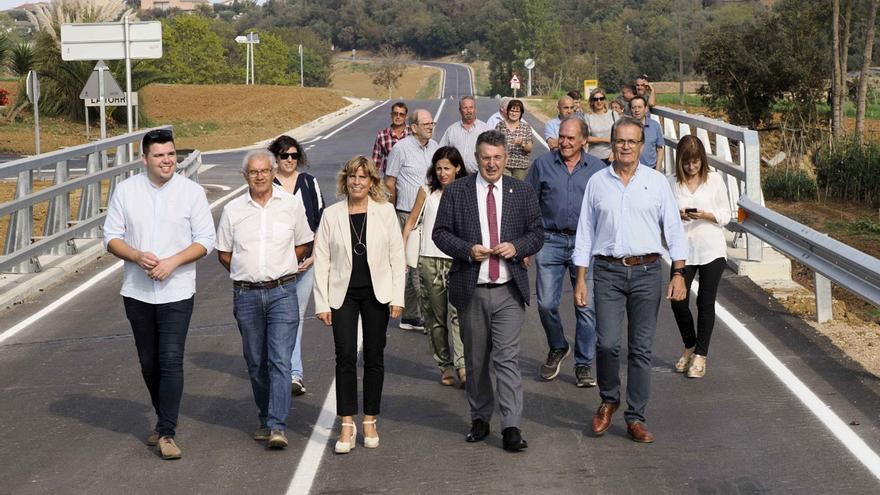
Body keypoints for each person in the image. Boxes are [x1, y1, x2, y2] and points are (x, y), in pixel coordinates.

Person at [572, 116, 688, 444]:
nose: (625, 146)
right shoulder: (597, 182)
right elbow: (585, 232)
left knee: (640, 349)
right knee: (607, 343)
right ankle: (609, 399)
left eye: (631, 141)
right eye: (620, 141)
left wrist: (678, 272)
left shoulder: (657, 183)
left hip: (648, 272)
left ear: (641, 145)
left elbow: (674, 232)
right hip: (607, 271)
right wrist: (581, 279)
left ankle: (636, 416)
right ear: (612, 144)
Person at [103, 128, 215, 460]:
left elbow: (205, 240)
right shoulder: (126, 191)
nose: (167, 161)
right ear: (145, 159)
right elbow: (111, 238)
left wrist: (173, 261)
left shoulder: (191, 193)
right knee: (148, 362)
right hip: (137, 291)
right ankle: (162, 416)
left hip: (177, 291)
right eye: (159, 155)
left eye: (171, 154)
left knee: (170, 359)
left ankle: (167, 431)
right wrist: (136, 256)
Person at [433, 130, 544, 452]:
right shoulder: (458, 192)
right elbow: (440, 233)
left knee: (507, 359)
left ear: (506, 159)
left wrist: (517, 246)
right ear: (476, 159)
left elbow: (537, 232)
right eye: (486, 158)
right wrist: (468, 249)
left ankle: (511, 426)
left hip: (509, 288)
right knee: (477, 360)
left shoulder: (521, 191)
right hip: (472, 287)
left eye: (497, 157)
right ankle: (480, 417)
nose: (492, 163)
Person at [216, 150, 314, 450]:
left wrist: (279, 266)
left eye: (264, 171)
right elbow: (224, 253)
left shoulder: (291, 204)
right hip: (246, 294)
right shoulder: (233, 210)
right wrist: (249, 271)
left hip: (282, 292)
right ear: (245, 176)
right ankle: (265, 416)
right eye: (253, 172)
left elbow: (303, 243)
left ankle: (277, 425)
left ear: (273, 172)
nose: (259, 176)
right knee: (256, 361)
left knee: (280, 360)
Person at [313, 156, 405, 454]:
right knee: (345, 356)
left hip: (378, 294)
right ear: (345, 180)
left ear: (372, 182)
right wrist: (322, 303)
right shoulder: (331, 215)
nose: (357, 182)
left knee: (375, 356)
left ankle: (370, 419)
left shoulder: (385, 212)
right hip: (343, 295)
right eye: (352, 176)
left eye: (363, 177)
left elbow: (397, 256)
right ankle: (347, 423)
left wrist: (398, 297)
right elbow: (322, 260)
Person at [526, 118, 605, 388]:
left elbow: (605, 208)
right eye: (562, 137)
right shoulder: (542, 165)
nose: (565, 142)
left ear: (584, 140)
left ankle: (583, 364)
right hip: (550, 240)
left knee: (586, 307)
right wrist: (526, 243)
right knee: (546, 303)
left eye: (571, 138)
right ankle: (558, 345)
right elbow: (529, 204)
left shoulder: (597, 169)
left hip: (586, 245)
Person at [402, 147, 469, 387]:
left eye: (447, 168)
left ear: (457, 168)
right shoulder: (426, 190)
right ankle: (445, 365)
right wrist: (402, 254)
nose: (442, 173)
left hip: (458, 260)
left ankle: (462, 364)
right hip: (429, 260)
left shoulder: (466, 190)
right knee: (436, 317)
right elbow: (410, 222)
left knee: (459, 314)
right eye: (439, 168)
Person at [668, 135, 731, 378]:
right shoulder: (671, 182)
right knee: (677, 301)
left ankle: (701, 356)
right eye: (686, 163)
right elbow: (663, 214)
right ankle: (690, 345)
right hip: (683, 251)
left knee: (705, 302)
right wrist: (679, 215)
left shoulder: (714, 181)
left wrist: (706, 214)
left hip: (711, 250)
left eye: (695, 162)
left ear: (702, 160)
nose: (691, 168)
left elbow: (726, 214)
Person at [268, 135, 325, 396]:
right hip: (277, 265)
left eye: (293, 155)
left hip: (306, 262)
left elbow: (322, 220)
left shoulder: (309, 183)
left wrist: (315, 255)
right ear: (276, 158)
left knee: (296, 317)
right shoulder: (268, 184)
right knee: (279, 318)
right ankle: (282, 369)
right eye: (284, 156)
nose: (289, 160)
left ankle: (294, 373)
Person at [384, 109, 439, 331]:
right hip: (408, 214)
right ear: (414, 127)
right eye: (425, 123)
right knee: (415, 267)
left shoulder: (435, 148)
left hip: (431, 215)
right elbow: (389, 183)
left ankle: (409, 316)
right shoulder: (401, 149)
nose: (430, 126)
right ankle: (428, 315)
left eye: (431, 123)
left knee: (421, 263)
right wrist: (393, 212)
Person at [439, 96, 492, 174]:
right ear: (460, 110)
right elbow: (441, 152)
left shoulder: (485, 130)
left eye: (471, 107)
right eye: (465, 108)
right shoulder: (451, 130)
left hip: (478, 175)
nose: (468, 111)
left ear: (475, 109)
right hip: (457, 176)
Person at [495, 99, 534, 180]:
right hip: (504, 165)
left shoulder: (526, 127)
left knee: (518, 190)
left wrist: (522, 144)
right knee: (505, 189)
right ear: (508, 111)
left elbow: (529, 148)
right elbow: (494, 145)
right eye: (512, 110)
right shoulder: (500, 126)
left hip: (520, 166)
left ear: (521, 113)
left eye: (517, 111)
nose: (514, 113)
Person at [371, 102, 411, 174]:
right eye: (395, 114)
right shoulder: (382, 135)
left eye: (401, 114)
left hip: (409, 179)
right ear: (391, 115)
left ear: (406, 116)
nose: (398, 117)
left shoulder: (413, 133)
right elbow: (376, 162)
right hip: (389, 180)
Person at [630, 96, 665, 171]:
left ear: (646, 109)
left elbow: (660, 149)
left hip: (651, 169)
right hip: (632, 170)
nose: (637, 110)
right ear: (631, 109)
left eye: (639, 107)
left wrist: (657, 170)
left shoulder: (655, 126)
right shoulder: (626, 127)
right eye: (634, 107)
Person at [584, 88, 617, 164]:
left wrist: (614, 152)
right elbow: (585, 137)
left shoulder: (613, 114)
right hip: (594, 157)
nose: (599, 101)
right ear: (592, 101)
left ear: (604, 100)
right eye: (596, 99)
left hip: (612, 157)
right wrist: (605, 139)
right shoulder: (588, 117)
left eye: (601, 99)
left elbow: (619, 135)